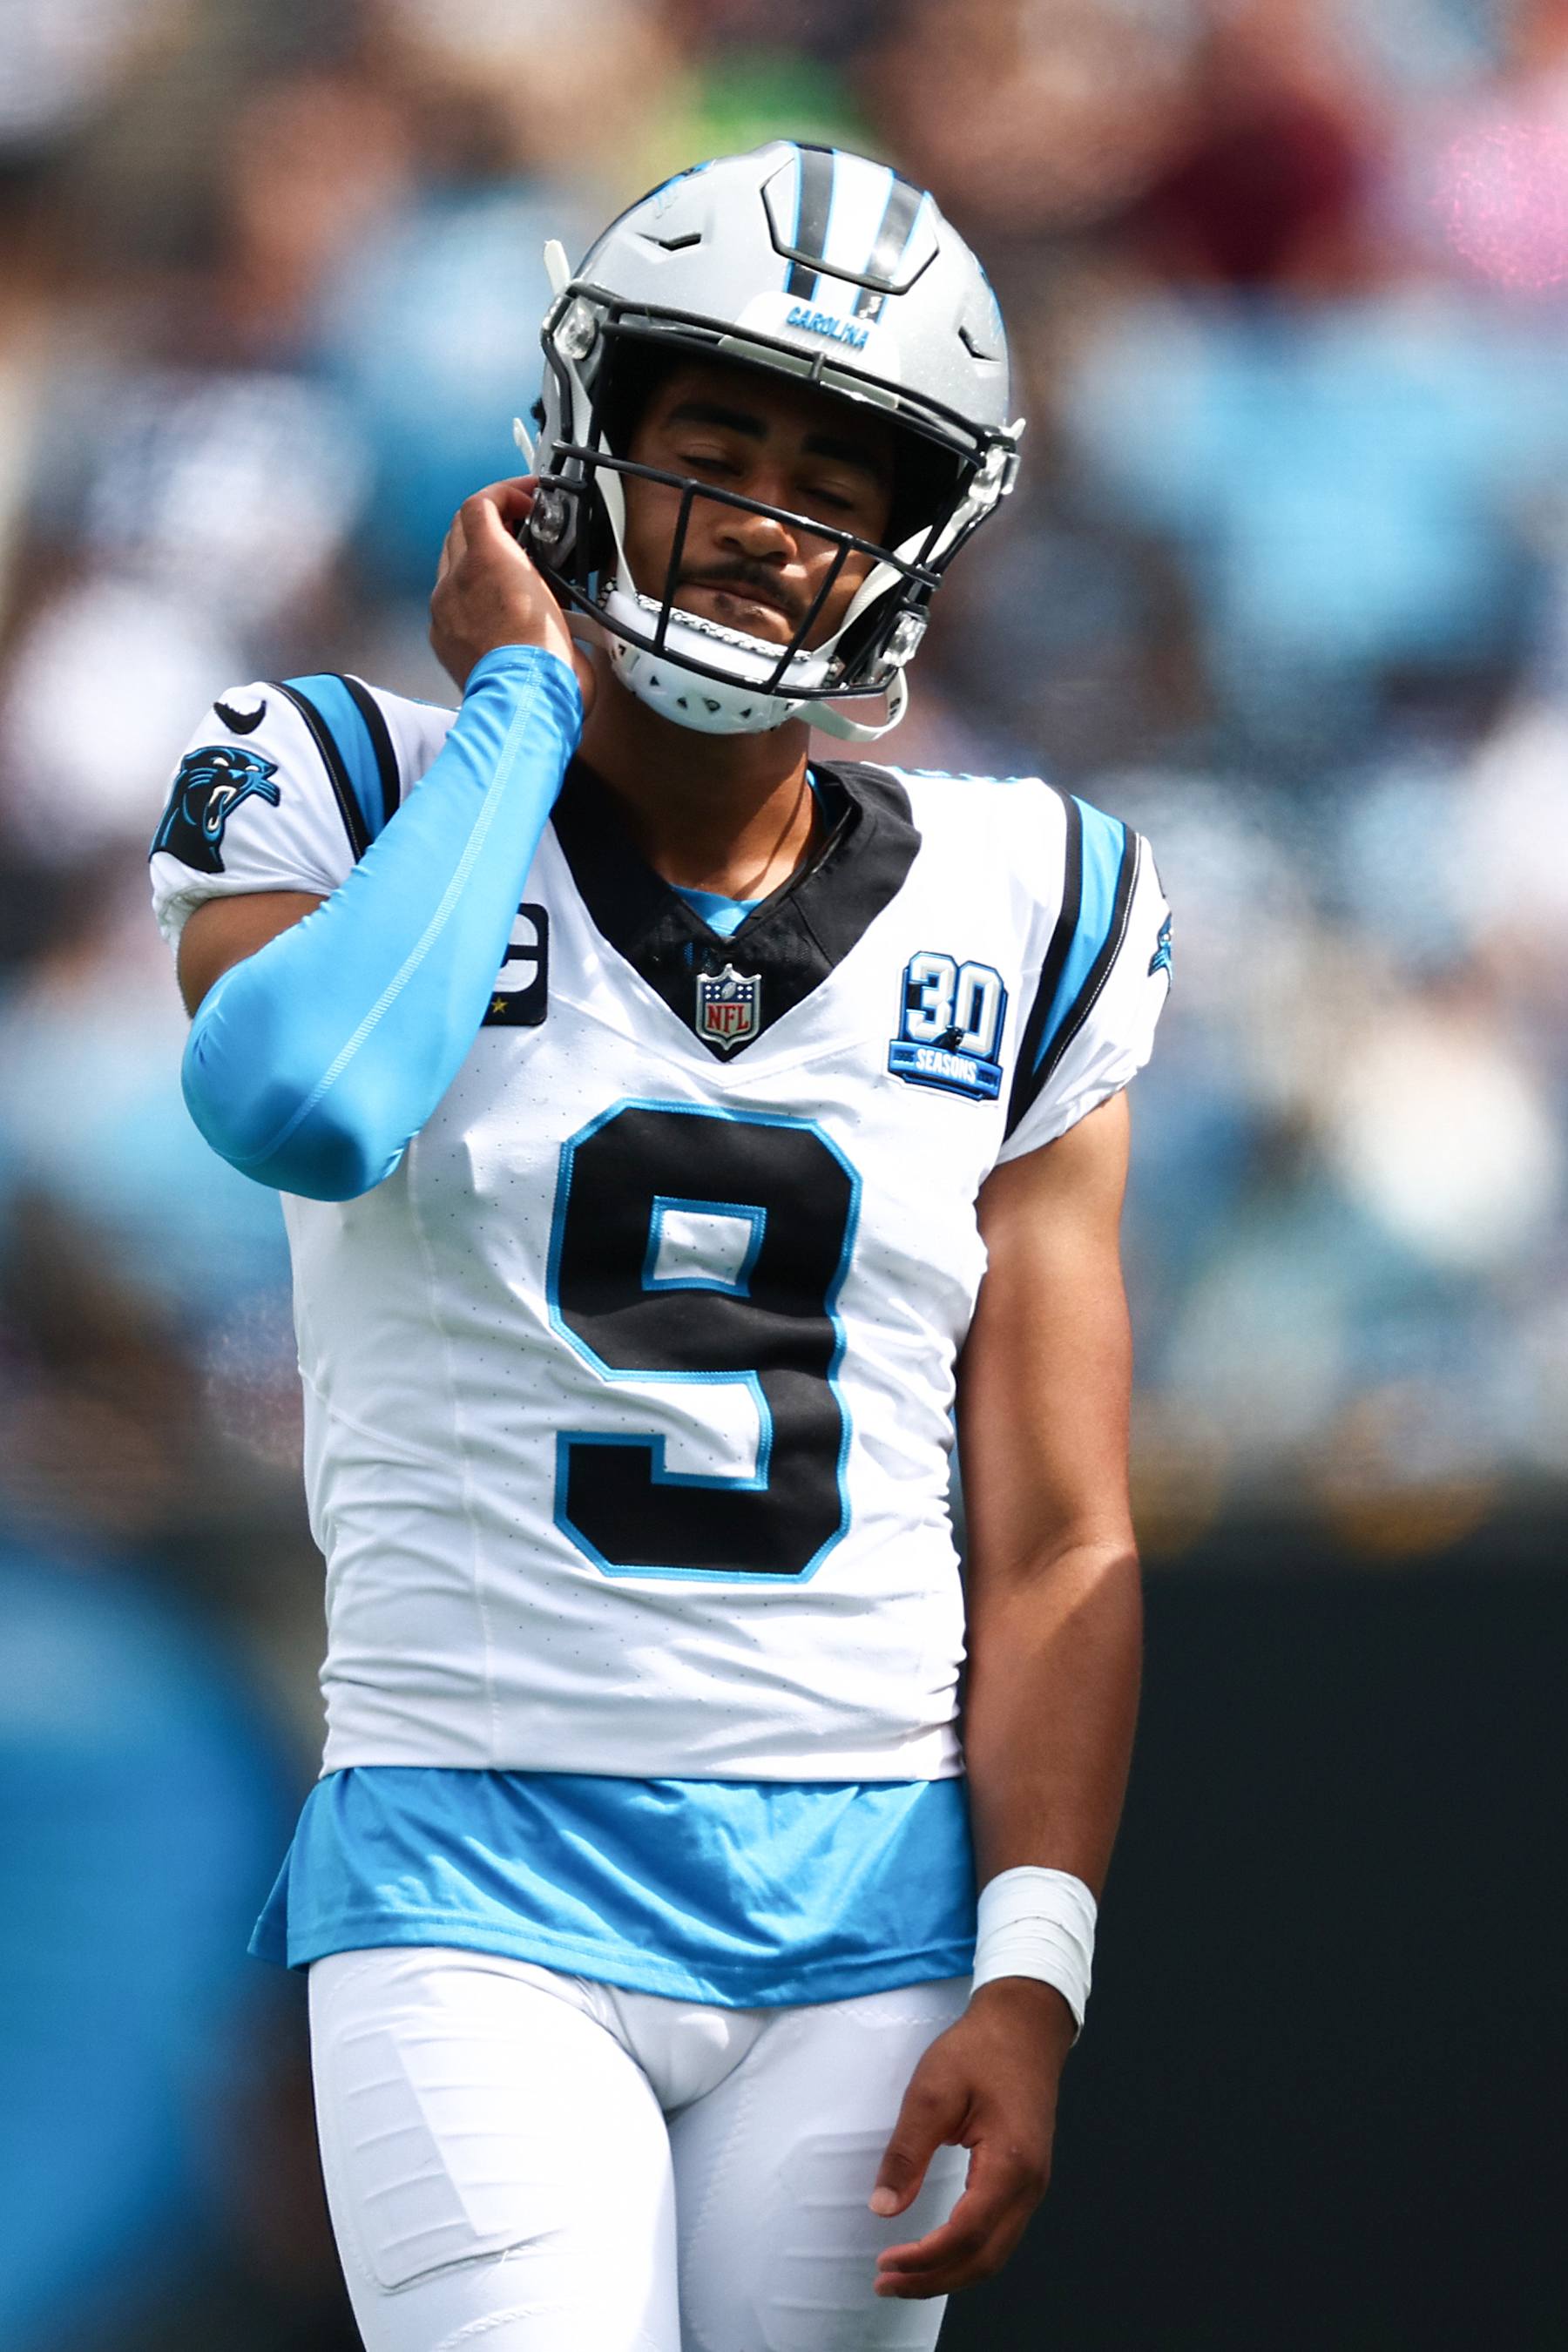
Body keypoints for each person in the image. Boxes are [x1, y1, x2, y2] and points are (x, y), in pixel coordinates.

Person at [150, 143, 1171, 2352]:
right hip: (474, 1870)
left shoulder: (1039, 898)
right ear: (583, 447)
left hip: (877, 1898)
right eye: (713, 445)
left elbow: (1069, 1532)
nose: (765, 520)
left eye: (835, 474)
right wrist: (511, 716)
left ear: (917, 538)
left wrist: (1034, 1964)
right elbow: (303, 1104)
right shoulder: (336, 771)